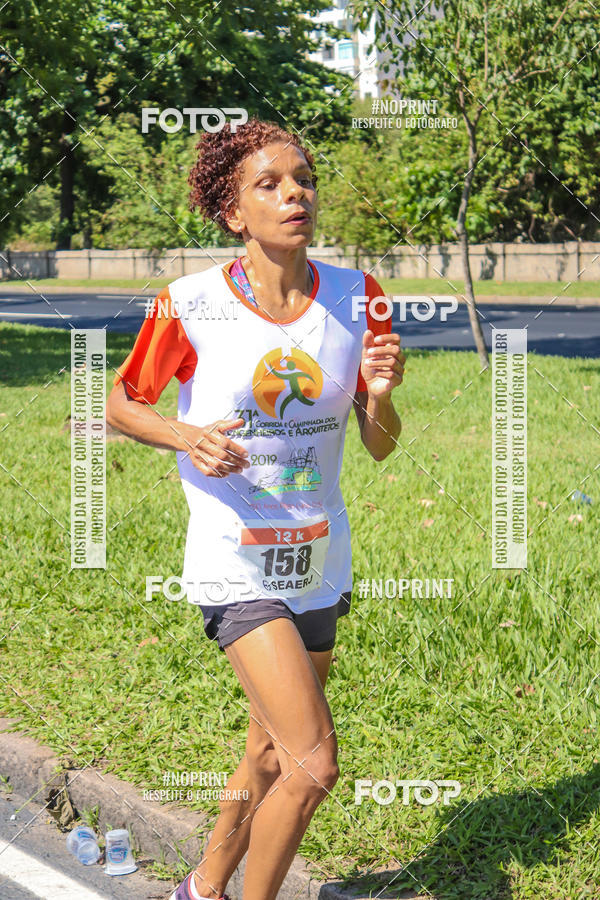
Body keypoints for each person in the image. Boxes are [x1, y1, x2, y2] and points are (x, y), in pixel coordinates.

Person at [106, 117, 405, 900]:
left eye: (301, 178)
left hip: (317, 553)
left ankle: (200, 889)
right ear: (233, 211)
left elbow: (379, 445)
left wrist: (378, 397)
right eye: (268, 184)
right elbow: (120, 402)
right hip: (234, 555)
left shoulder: (357, 296)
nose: (293, 193)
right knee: (313, 762)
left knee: (271, 753)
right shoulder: (189, 302)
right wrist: (185, 435)